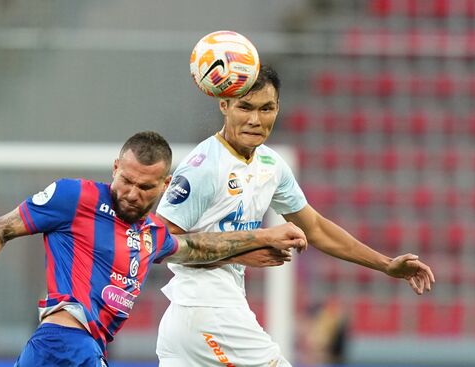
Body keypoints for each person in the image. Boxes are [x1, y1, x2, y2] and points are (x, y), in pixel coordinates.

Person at [0, 131, 308, 367]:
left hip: (86, 348)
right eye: (126, 180)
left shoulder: (151, 233)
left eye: (145, 187)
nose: (132, 193)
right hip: (63, 343)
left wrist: (259, 239)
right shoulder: (75, 197)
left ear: (165, 184)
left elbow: (196, 246)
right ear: (115, 168)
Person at [155, 65, 436, 366]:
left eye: (266, 108)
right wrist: (247, 246)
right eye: (245, 107)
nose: (255, 119)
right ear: (224, 105)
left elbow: (316, 227)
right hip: (208, 310)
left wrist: (386, 265)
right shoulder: (203, 167)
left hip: (193, 320)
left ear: (278, 109)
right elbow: (156, 243)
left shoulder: (270, 165)